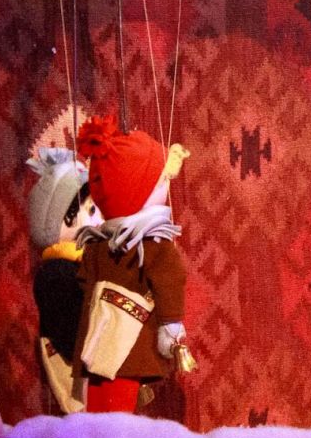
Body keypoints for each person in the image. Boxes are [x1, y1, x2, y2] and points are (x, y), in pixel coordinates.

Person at [72, 115, 191, 413]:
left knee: (101, 403)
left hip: (96, 342)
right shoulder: (153, 244)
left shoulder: (97, 243)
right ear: (140, 189)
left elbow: (84, 285)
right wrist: (171, 327)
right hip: (131, 344)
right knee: (117, 412)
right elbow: (170, 281)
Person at [26, 147, 103, 413]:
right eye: (91, 210)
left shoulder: (86, 265)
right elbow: (71, 336)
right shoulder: (56, 273)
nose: (100, 219)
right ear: (62, 218)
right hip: (78, 367)